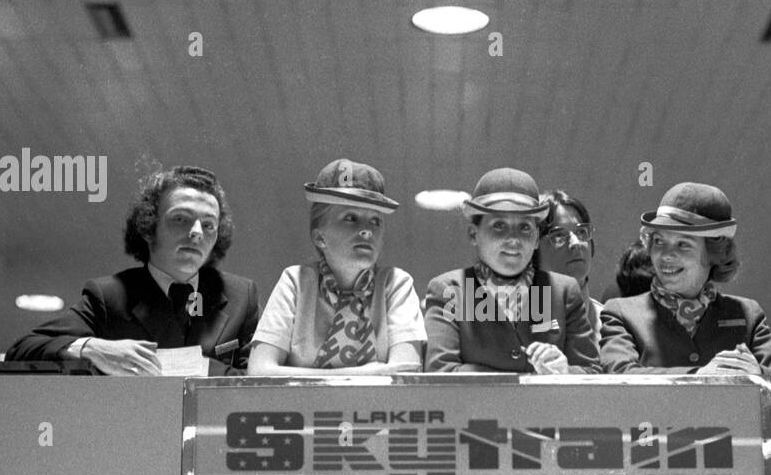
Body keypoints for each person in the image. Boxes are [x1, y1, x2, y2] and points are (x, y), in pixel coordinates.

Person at [5, 165, 259, 375]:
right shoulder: (110, 295)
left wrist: (200, 367)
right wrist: (90, 348)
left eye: (208, 225)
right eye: (180, 219)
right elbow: (23, 350)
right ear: (149, 227)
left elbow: (259, 382)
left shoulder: (241, 295)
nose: (196, 232)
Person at [247, 159, 426, 375]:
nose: (367, 231)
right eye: (351, 218)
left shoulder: (396, 283)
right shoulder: (296, 281)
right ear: (320, 237)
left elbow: (406, 373)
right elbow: (259, 370)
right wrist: (365, 374)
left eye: (375, 221)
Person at [598, 182, 771, 374]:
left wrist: (758, 372)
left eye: (683, 244)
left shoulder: (748, 314)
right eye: (658, 241)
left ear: (714, 253)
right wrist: (699, 377)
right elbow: (620, 374)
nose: (666, 255)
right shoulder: (620, 313)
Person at [424, 168, 599, 374]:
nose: (513, 239)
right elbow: (440, 373)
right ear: (473, 234)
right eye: (499, 225)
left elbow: (592, 373)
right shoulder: (448, 290)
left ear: (536, 238)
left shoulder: (564, 291)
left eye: (524, 227)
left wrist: (565, 371)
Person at [536, 189, 604, 343]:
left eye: (581, 232)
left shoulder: (611, 324)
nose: (576, 243)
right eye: (559, 235)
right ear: (534, 247)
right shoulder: (514, 325)